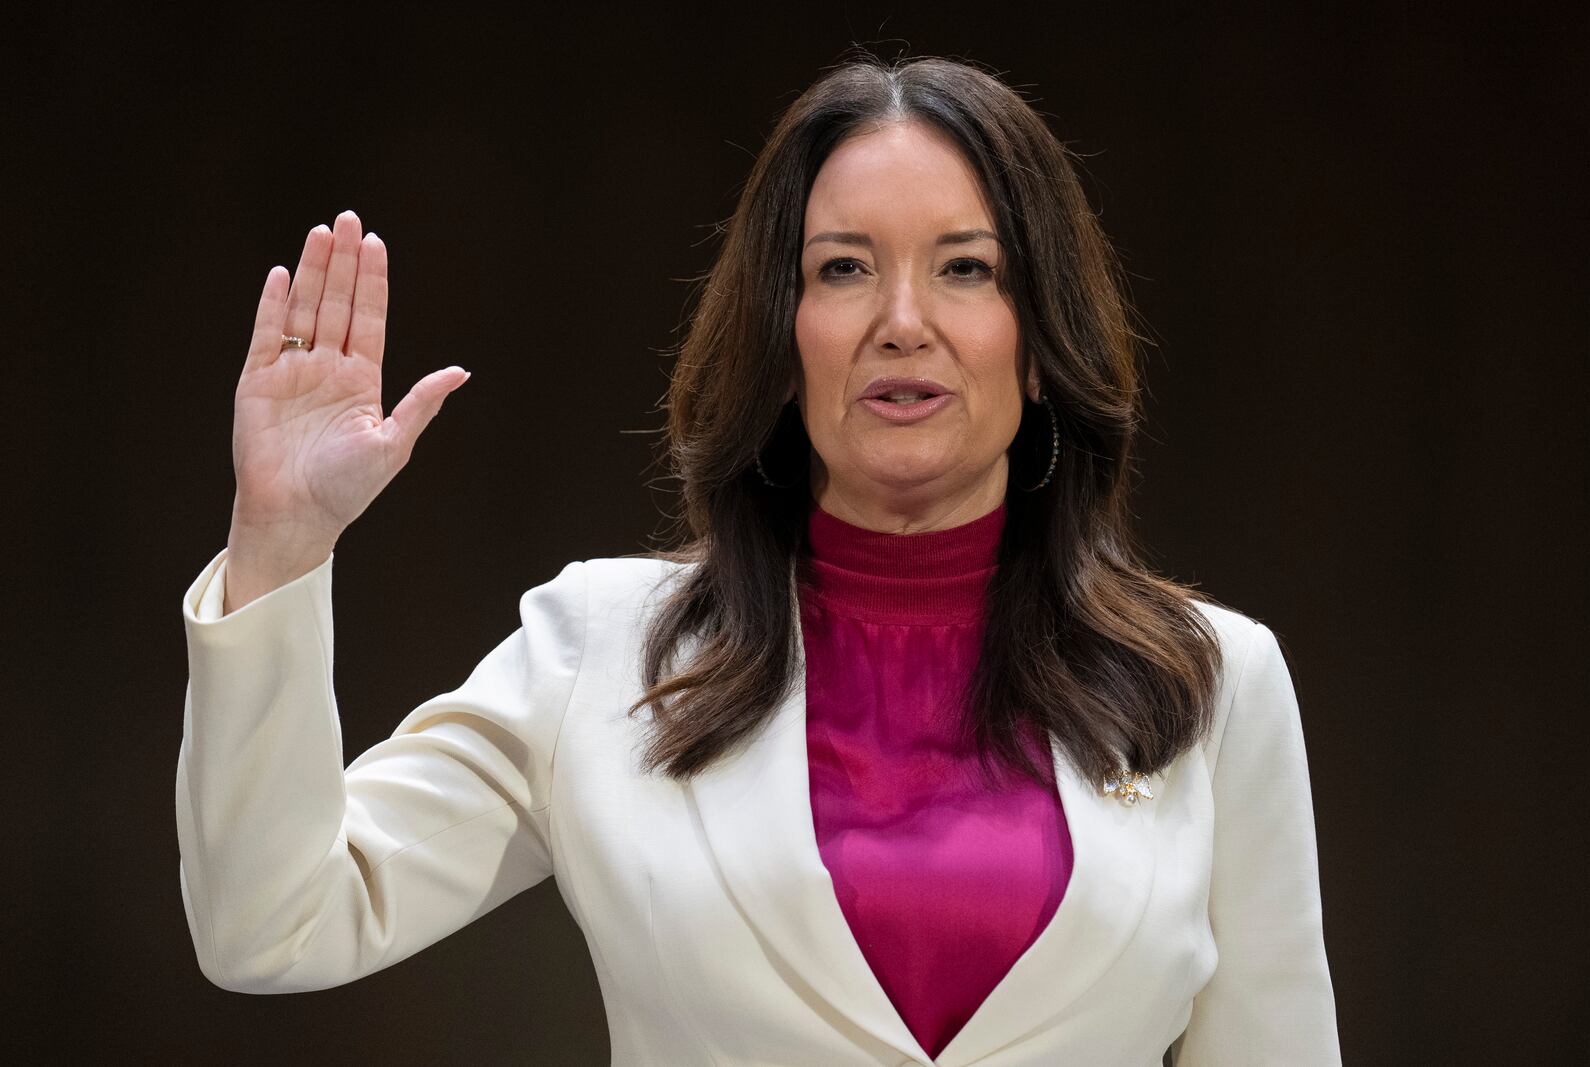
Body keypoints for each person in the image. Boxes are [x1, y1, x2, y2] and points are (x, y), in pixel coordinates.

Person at [177, 54, 1340, 1065]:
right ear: (781, 341)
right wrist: (281, 542)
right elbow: (271, 921)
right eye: (842, 268)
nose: (901, 319)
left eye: (965, 268)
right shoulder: (603, 647)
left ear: (1040, 344)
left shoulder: (1216, 682)